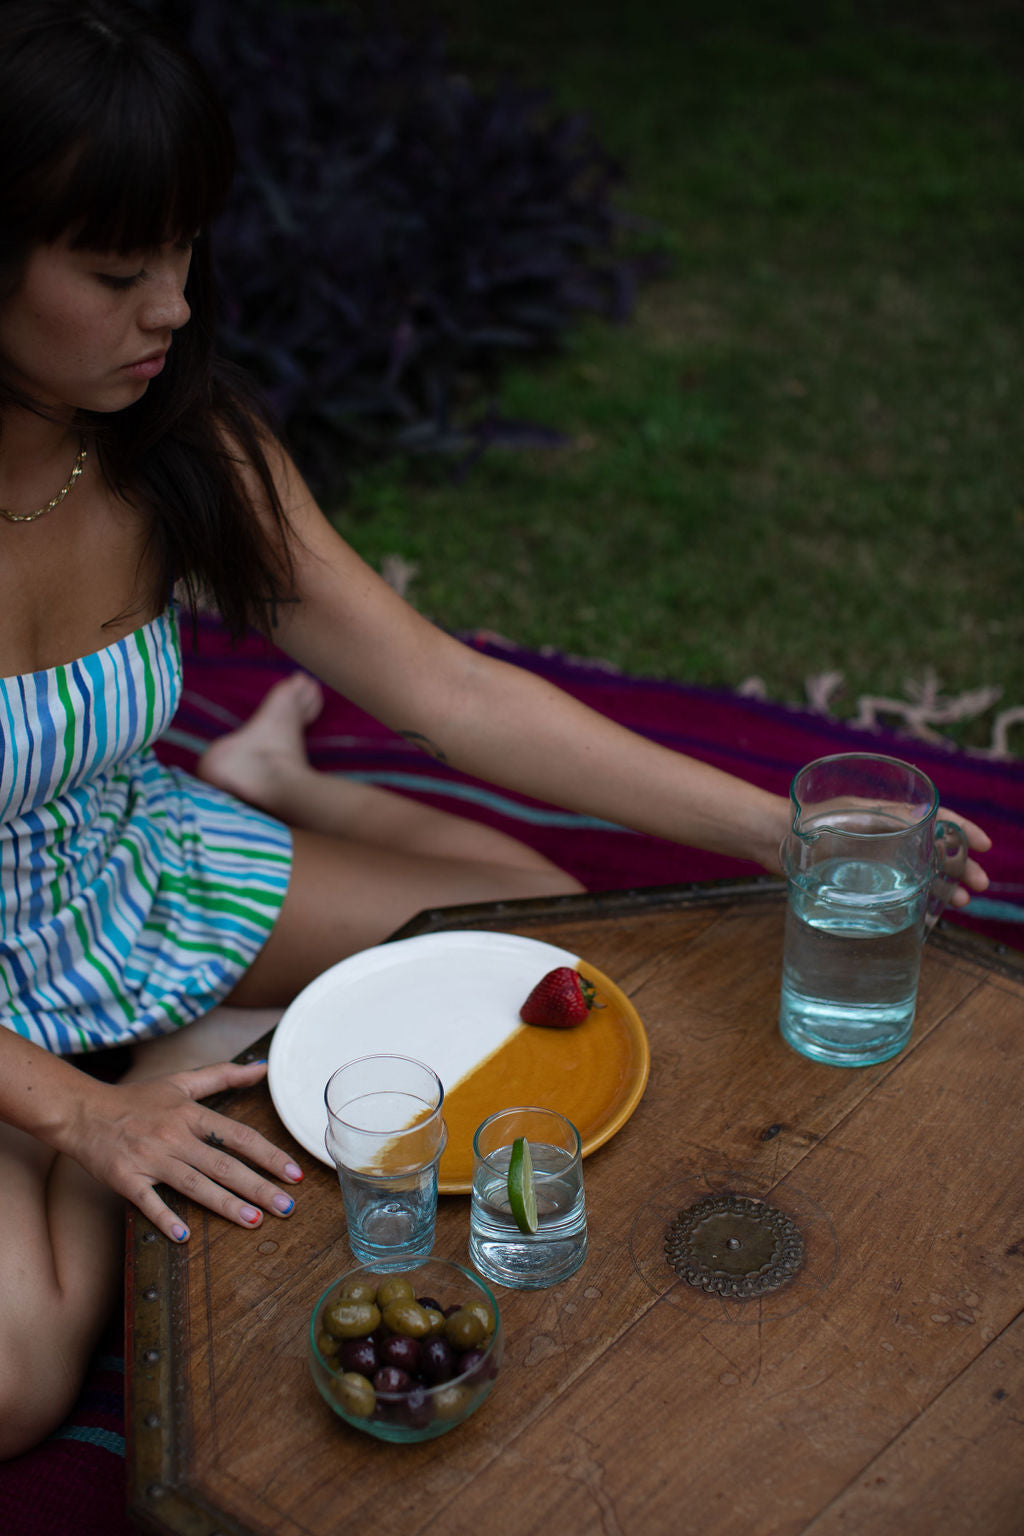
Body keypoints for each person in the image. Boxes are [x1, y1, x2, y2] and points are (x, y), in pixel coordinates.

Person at [0, 0, 991, 1457]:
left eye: (187, 252)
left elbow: (450, 694)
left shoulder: (172, 444)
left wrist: (774, 831)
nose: (177, 308)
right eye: (115, 269)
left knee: (549, 959)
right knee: (18, 1389)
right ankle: (152, 1074)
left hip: (119, 871)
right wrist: (82, 1125)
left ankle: (255, 805)